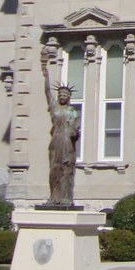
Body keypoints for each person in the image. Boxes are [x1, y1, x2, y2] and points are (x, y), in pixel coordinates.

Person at [41, 50, 80, 206]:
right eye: (60, 94)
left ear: (69, 97)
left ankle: (66, 197)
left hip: (67, 143)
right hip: (56, 140)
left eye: (65, 94)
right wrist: (46, 74)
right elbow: (47, 92)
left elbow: (75, 128)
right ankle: (53, 196)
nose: (62, 96)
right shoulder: (54, 107)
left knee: (66, 168)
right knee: (54, 169)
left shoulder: (72, 111)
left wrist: (74, 131)